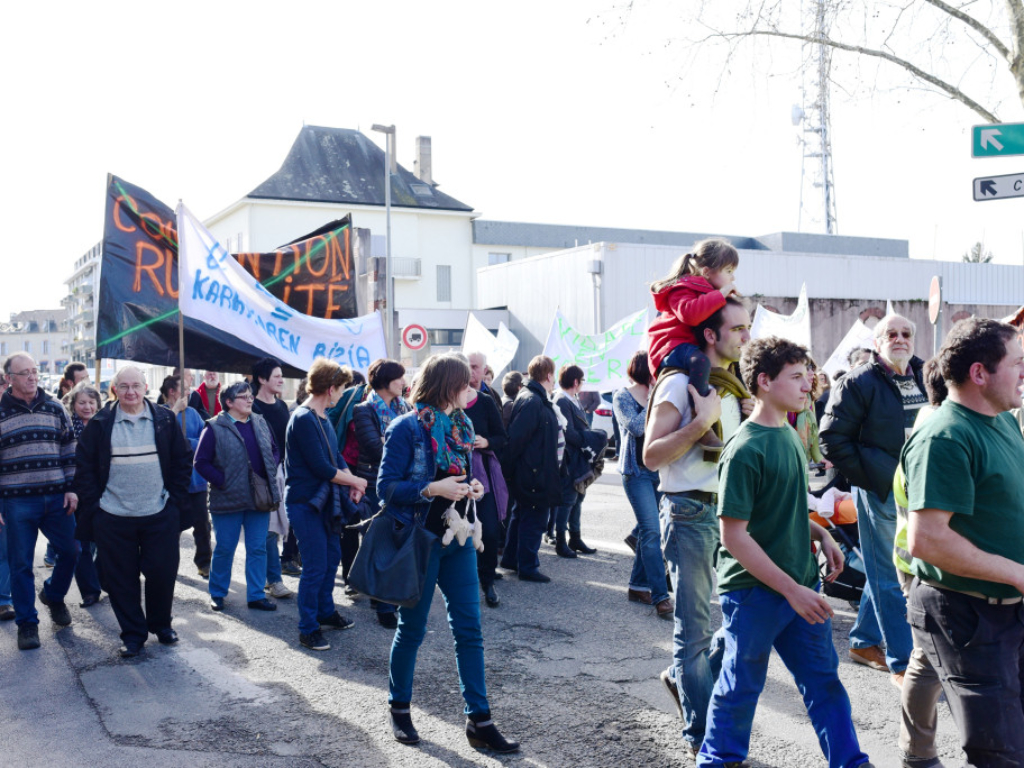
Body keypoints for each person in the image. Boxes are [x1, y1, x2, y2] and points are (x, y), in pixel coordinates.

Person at [698, 336, 872, 768]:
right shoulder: (744, 448)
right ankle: (717, 761)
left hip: (801, 586)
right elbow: (734, 536)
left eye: (808, 374)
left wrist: (822, 534)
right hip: (755, 591)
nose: (807, 383)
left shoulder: (791, 434)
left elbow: (784, 508)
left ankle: (851, 762)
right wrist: (792, 590)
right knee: (741, 687)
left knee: (825, 685)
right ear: (763, 381)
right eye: (795, 376)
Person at [377, 353, 518, 753]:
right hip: (420, 541)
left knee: (470, 630)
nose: (472, 389)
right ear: (448, 385)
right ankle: (399, 709)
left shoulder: (462, 425)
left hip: (457, 538)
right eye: (465, 383)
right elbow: (385, 488)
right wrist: (432, 489)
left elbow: (459, 474)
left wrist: (471, 486)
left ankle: (480, 720)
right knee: (413, 629)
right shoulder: (406, 427)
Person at [903, 318, 1024, 767]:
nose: (1023, 373)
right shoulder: (945, 436)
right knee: (1002, 755)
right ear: (979, 373)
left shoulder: (1004, 422)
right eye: (1017, 364)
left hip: (1010, 610)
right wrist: (1017, 574)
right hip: (966, 616)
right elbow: (928, 540)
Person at [644, 297, 751, 757]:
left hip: (732, 513)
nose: (747, 337)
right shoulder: (679, 383)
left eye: (749, 327)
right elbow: (650, 455)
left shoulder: (730, 385)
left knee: (748, 618)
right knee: (694, 634)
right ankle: (707, 741)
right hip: (689, 512)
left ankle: (684, 679)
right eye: (738, 329)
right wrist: (701, 423)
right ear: (710, 334)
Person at [820, 315, 925, 685]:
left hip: (921, 489)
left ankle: (864, 642)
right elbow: (832, 438)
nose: (899, 339)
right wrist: (873, 479)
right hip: (882, 489)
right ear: (877, 341)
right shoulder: (858, 381)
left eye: (906, 333)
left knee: (883, 569)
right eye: (890, 334)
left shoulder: (924, 375)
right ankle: (901, 662)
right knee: (892, 576)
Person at [74, 366, 192, 657]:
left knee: (162, 573)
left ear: (145, 387)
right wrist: (97, 507)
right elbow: (85, 469)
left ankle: (161, 625)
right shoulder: (100, 423)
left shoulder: (164, 419)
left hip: (158, 513)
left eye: (136, 386)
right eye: (124, 386)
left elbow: (182, 460)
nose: (130, 392)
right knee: (121, 580)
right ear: (115, 389)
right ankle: (133, 635)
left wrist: (172, 499)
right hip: (113, 516)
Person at [284, 359, 366, 651]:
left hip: (324, 501)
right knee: (316, 566)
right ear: (330, 388)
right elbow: (322, 467)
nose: (343, 394)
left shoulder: (321, 416)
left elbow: (337, 458)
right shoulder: (304, 418)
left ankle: (325, 611)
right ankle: (308, 628)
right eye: (342, 389)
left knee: (331, 559)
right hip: (306, 503)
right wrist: (354, 482)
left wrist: (352, 481)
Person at [0, 353, 78, 651]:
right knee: (21, 565)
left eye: (34, 371)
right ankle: (27, 625)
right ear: (10, 379)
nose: (32, 377)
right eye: (25, 373)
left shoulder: (54, 406)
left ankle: (54, 596)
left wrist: (71, 488)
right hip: (17, 502)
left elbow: (69, 448)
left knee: (71, 551)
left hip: (57, 498)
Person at [892, 357, 948, 768]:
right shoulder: (936, 436)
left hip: (917, 560)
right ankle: (916, 752)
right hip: (919, 563)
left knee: (928, 657)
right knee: (927, 657)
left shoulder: (933, 425)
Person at [194, 381, 281, 613]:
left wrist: (270, 467)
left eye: (250, 395)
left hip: (258, 497)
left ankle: (256, 595)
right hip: (227, 498)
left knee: (257, 548)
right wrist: (222, 481)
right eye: (243, 396)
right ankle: (218, 593)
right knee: (225, 548)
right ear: (229, 402)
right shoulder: (214, 427)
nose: (250, 399)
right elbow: (200, 462)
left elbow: (274, 449)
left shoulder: (260, 421)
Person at [647, 238, 742, 448]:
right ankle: (701, 424)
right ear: (707, 272)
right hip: (670, 345)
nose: (732, 277)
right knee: (700, 363)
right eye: (728, 271)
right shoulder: (681, 288)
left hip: (686, 344)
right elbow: (690, 315)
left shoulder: (705, 291)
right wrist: (721, 294)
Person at [351, 358, 409, 627]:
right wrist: (403, 445)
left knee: (392, 541)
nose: (403, 382)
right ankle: (385, 607)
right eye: (399, 377)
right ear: (386, 380)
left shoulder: (405, 407)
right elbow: (374, 447)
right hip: (373, 484)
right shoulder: (364, 409)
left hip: (401, 483)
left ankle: (380, 596)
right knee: (381, 542)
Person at [613, 350, 670, 618]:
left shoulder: (659, 393)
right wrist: (652, 401)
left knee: (650, 530)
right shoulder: (622, 396)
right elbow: (636, 427)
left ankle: (637, 586)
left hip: (660, 470)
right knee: (652, 531)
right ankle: (660, 595)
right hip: (636, 473)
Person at [500, 355, 563, 583]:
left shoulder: (532, 397)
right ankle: (527, 565)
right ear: (548, 375)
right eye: (553, 375)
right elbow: (516, 439)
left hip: (532, 471)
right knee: (534, 519)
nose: (554, 379)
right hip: (533, 473)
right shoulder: (533, 400)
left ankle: (512, 559)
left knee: (522, 515)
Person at [463, 352, 509, 608]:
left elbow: (503, 437)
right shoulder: (447, 399)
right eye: (466, 367)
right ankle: (462, 581)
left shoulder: (486, 400)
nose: (470, 372)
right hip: (455, 475)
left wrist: (487, 442)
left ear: (483, 370)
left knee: (490, 530)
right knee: (457, 529)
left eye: (475, 367)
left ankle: (487, 581)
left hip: (483, 475)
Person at [159, 375, 212, 580]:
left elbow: (204, 440)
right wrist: (175, 412)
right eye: (185, 388)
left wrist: (187, 443)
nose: (189, 392)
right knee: (173, 527)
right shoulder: (162, 413)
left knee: (202, 525)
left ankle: (204, 563)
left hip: (196, 479)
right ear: (172, 391)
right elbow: (161, 435)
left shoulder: (192, 414)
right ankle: (169, 564)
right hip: (173, 482)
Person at [57, 383, 104, 607]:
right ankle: (90, 591)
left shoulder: (105, 425)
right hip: (76, 492)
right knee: (81, 544)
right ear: (73, 405)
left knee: (105, 541)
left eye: (91, 402)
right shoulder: (67, 429)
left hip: (103, 492)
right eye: (82, 402)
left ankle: (104, 580)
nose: (87, 407)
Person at [251, 357, 294, 600]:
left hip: (283, 474)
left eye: (281, 376)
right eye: (276, 376)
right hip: (262, 476)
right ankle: (274, 580)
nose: (281, 380)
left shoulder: (282, 407)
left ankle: (269, 576)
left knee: (280, 526)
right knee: (268, 529)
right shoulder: (252, 407)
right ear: (262, 379)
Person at [552, 364, 605, 556]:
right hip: (569, 458)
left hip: (578, 456)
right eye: (581, 381)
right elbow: (568, 433)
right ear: (575, 382)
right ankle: (560, 542)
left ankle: (575, 538)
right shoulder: (562, 400)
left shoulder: (572, 399)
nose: (582, 384)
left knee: (578, 497)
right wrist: (590, 439)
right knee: (568, 499)